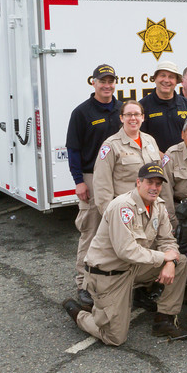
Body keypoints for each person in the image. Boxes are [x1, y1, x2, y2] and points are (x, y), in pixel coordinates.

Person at [62, 164, 187, 345]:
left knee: (180, 262)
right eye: (150, 182)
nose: (154, 187)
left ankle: (164, 320)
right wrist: (163, 258)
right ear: (138, 182)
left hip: (133, 269)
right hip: (109, 274)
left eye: (159, 184)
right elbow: (126, 250)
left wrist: (170, 263)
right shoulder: (122, 207)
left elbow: (167, 240)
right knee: (114, 337)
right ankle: (79, 313)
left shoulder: (158, 206)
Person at [66, 64, 123, 309]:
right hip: (91, 176)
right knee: (91, 231)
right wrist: (78, 180)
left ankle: (119, 280)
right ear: (94, 82)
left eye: (111, 81)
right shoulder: (82, 113)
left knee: (120, 230)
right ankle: (84, 284)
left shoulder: (122, 109)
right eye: (103, 81)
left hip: (119, 176)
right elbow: (73, 149)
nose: (107, 85)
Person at [93, 100, 162, 217]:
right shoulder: (111, 145)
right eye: (128, 114)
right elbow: (102, 183)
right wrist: (108, 214)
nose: (133, 118)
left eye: (137, 114)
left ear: (143, 117)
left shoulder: (150, 140)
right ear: (121, 118)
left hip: (150, 207)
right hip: (124, 209)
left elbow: (159, 176)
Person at [138, 61, 187, 152]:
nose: (166, 80)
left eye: (171, 77)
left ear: (176, 81)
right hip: (154, 162)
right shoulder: (142, 106)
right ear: (155, 78)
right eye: (162, 75)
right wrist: (163, 157)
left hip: (184, 161)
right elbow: (139, 139)